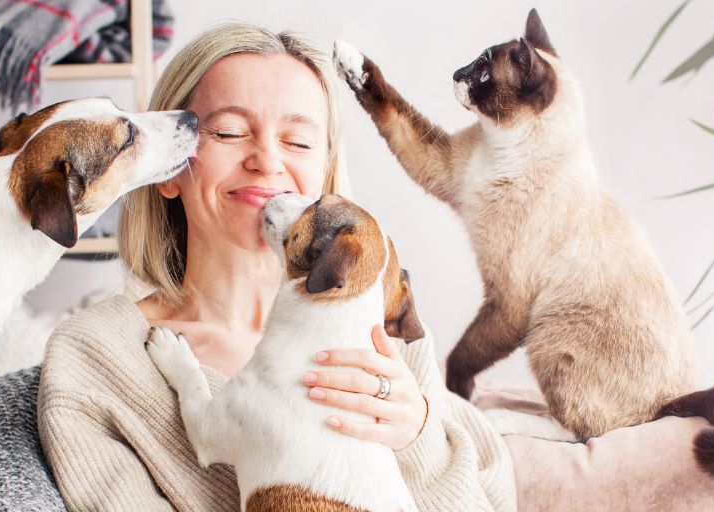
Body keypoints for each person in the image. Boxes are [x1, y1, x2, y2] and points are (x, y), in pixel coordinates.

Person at [36, 22, 516, 512]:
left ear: (325, 172)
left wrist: (416, 440)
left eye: (299, 141)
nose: (266, 161)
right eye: (228, 132)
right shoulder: (97, 356)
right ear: (170, 167)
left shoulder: (384, 335)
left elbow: (490, 493)